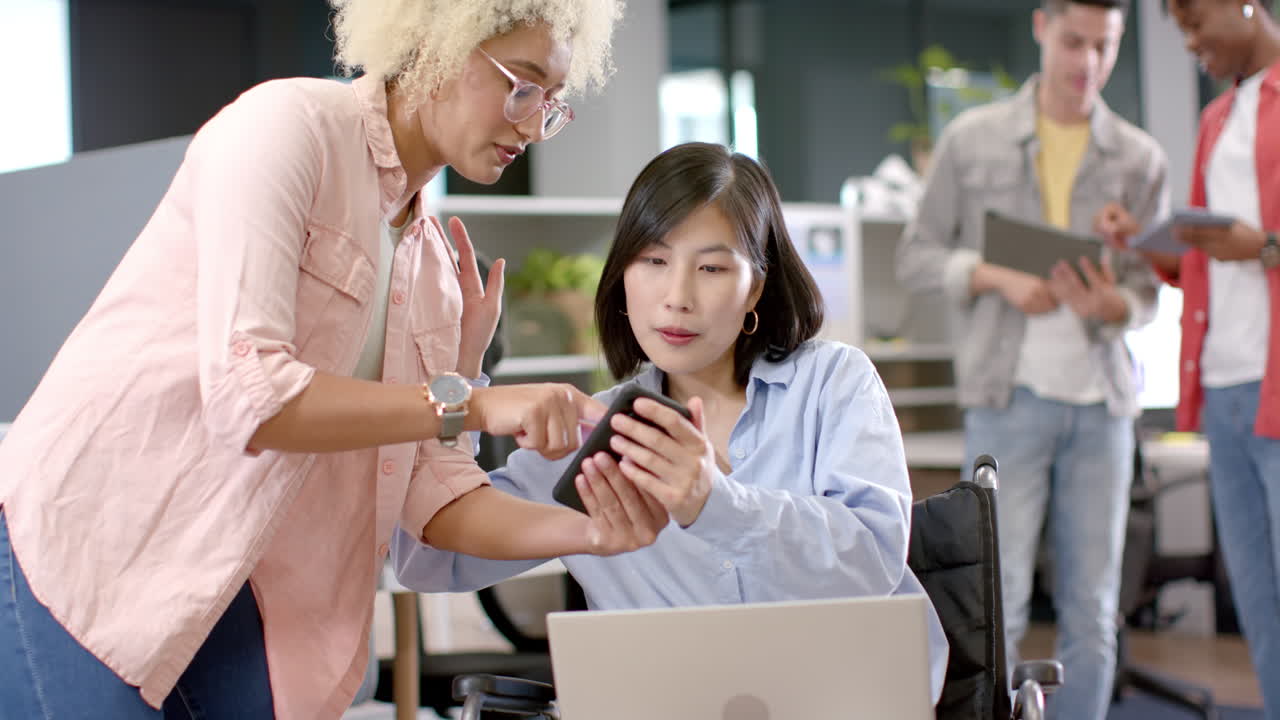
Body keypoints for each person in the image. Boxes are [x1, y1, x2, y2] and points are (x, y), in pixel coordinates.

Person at [0, 2, 672, 719]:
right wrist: (475, 402)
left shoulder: (440, 270)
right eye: (524, 86)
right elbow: (250, 393)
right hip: (95, 546)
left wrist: (590, 535)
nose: (533, 124)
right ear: (436, 46)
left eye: (554, 105)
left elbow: (433, 490)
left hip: (240, 591)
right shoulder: (285, 129)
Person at [392, 142, 950, 702]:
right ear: (624, 276)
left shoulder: (833, 382)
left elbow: (874, 561)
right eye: (654, 261)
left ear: (754, 286)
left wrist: (715, 503)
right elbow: (428, 560)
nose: (677, 297)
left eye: (710, 268)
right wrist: (462, 379)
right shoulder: (593, 434)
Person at [895, 1, 1170, 717]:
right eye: (1075, 42)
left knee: (1093, 608)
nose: (1088, 63)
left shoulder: (1140, 159)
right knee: (994, 601)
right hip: (1005, 398)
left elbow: (1149, 294)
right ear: (1043, 26)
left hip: (1103, 409)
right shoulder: (973, 139)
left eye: (1105, 47)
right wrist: (994, 276)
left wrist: (1110, 303)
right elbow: (916, 256)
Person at [1095, 1, 1280, 715]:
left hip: (1274, 383)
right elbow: (1203, 262)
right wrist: (1142, 241)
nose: (1192, 44)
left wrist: (1263, 247)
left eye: (1198, 24)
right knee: (1256, 594)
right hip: (1225, 391)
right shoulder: (1214, 121)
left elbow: (1250, 247)